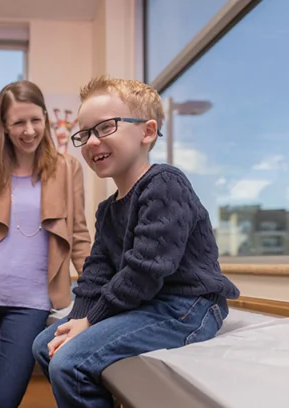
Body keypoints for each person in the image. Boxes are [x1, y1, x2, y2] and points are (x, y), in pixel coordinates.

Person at [31, 75, 241, 408]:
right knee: (44, 345)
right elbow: (96, 272)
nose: (90, 141)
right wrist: (78, 317)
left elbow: (145, 269)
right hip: (149, 302)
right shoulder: (108, 210)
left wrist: (92, 320)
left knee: (69, 363)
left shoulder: (165, 183)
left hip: (189, 306)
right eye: (83, 133)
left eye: (105, 127)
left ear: (146, 131)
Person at [0, 80, 91, 408]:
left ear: (45, 117)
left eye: (36, 120)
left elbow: (79, 235)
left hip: (32, 302)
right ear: (4, 127)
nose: (29, 130)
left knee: (2, 400)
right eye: (18, 123)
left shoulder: (67, 169)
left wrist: (96, 295)